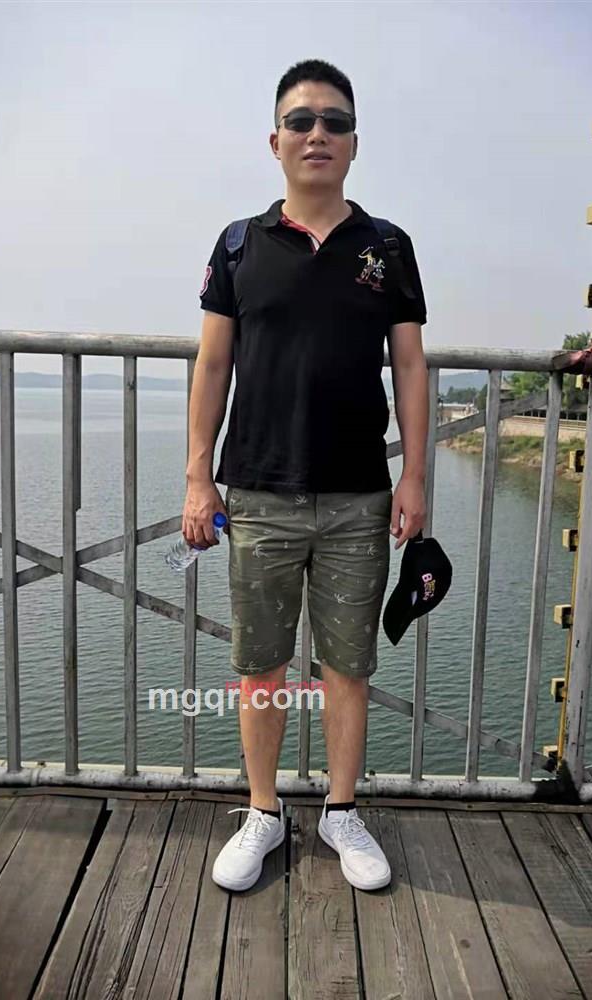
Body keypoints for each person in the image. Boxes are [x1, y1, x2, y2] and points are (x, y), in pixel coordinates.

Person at [182, 59, 428, 893]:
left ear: (354, 143)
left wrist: (414, 477)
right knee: (261, 667)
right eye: (300, 121)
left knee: (347, 667)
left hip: (360, 494)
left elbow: (410, 366)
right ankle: (262, 812)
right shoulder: (238, 245)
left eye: (334, 122)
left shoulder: (387, 247)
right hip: (257, 491)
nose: (317, 133)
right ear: (275, 141)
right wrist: (198, 479)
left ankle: (341, 811)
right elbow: (213, 366)